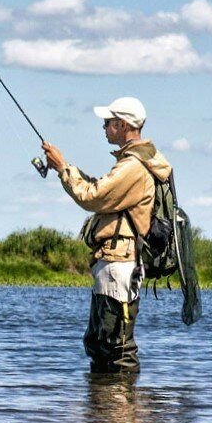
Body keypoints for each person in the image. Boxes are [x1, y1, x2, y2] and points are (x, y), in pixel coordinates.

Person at [41, 96, 172, 375]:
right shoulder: (133, 162)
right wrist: (65, 168)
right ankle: (104, 411)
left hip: (119, 265)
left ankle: (122, 413)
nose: (103, 127)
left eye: (108, 122)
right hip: (114, 264)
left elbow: (93, 197)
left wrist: (64, 169)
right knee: (100, 342)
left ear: (123, 125)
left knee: (116, 346)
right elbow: (102, 190)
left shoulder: (133, 167)